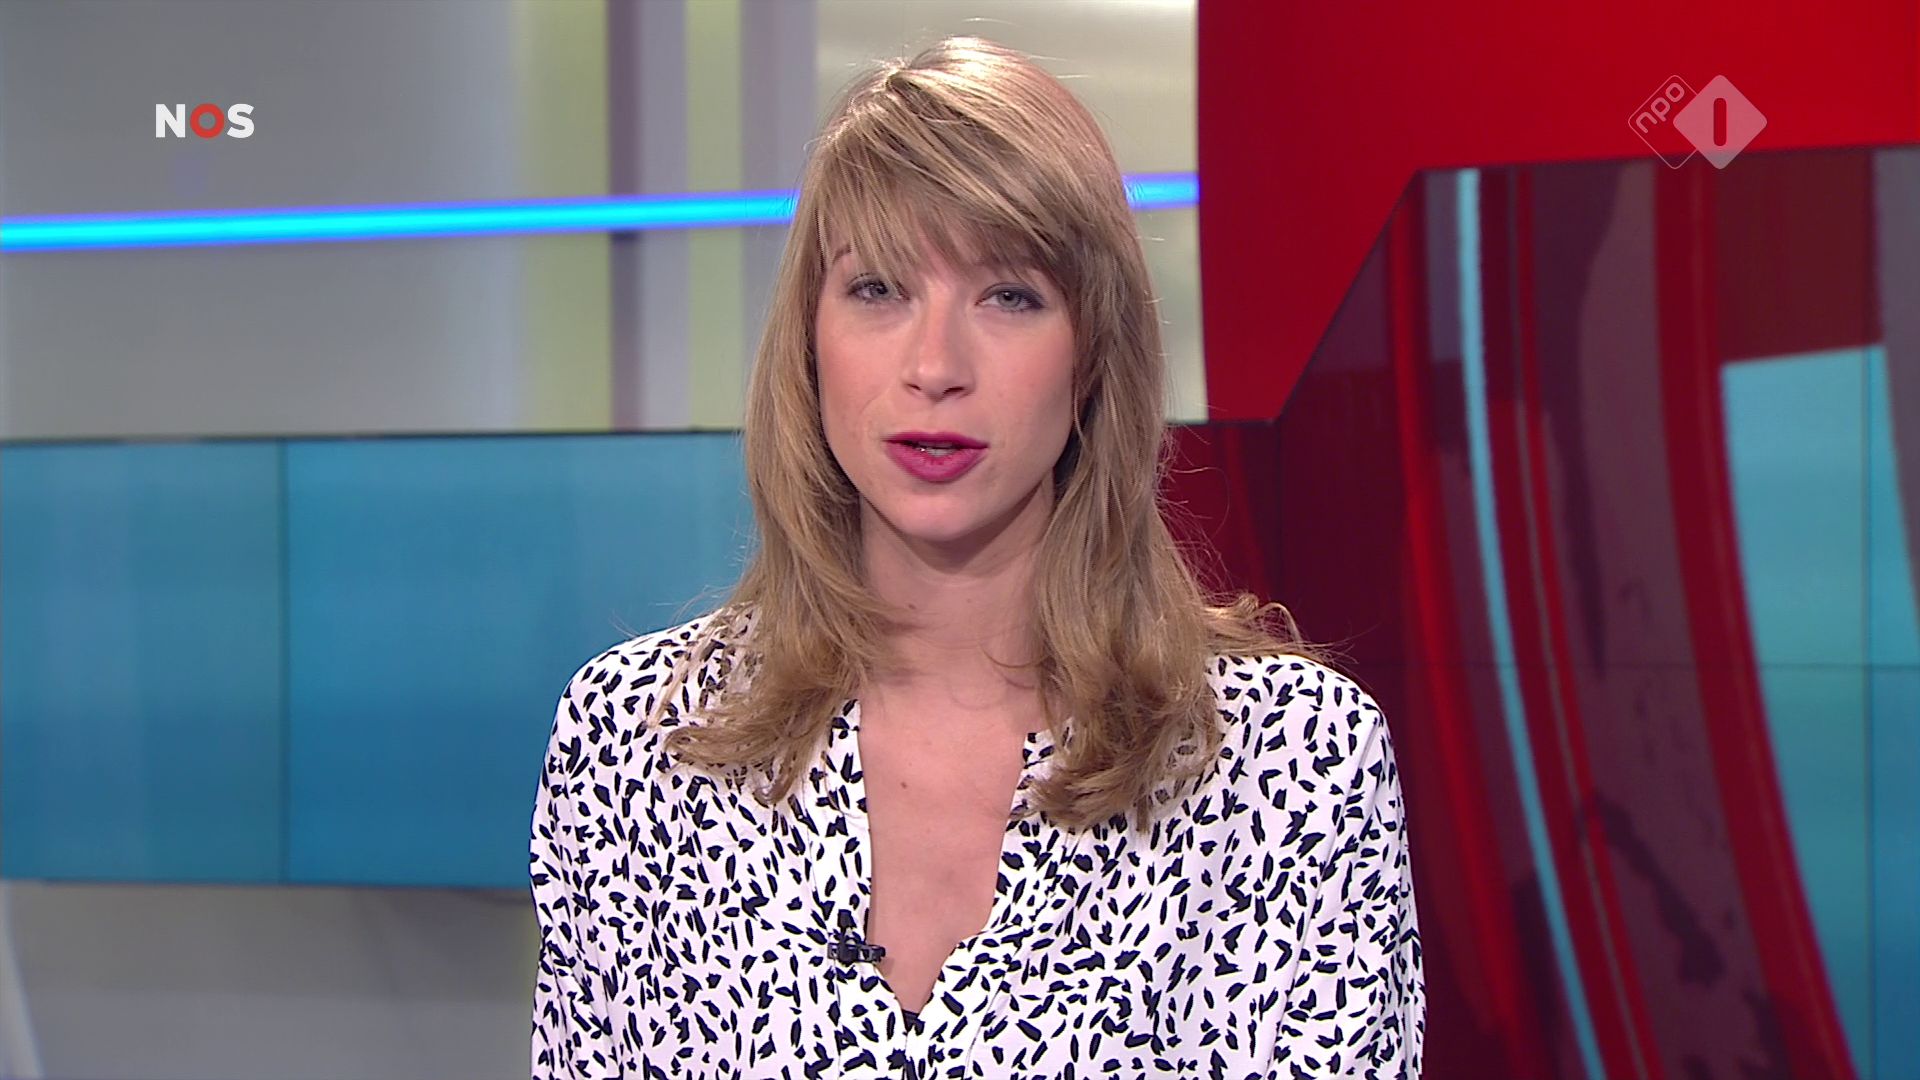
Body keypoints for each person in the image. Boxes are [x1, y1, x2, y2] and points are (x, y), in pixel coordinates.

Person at [530, 35, 1423, 1079]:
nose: (935, 366)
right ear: (809, 340)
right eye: (879, 290)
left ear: (1093, 355)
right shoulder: (639, 745)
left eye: (1010, 296)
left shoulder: (1288, 767)